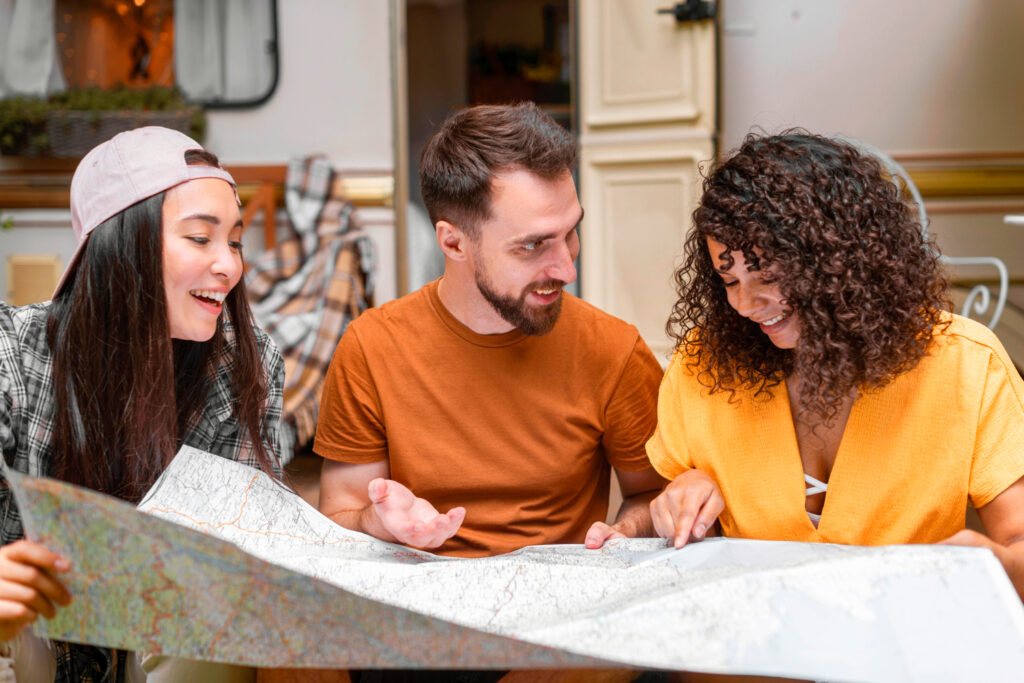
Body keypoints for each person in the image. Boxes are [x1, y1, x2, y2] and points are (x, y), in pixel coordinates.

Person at [646, 131, 1024, 599]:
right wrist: (682, 495)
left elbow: (1017, 542)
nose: (745, 303)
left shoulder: (967, 363)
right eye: (729, 279)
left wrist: (997, 563)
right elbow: (664, 521)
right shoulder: (701, 368)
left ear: (844, 262)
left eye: (768, 274)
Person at [315, 102, 667, 560]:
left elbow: (656, 496)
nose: (567, 268)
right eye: (533, 245)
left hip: (560, 601)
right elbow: (340, 516)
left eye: (570, 233)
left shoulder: (614, 351)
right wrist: (375, 521)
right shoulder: (371, 348)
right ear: (453, 242)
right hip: (420, 599)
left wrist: (628, 529)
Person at [0, 127, 285, 681]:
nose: (229, 266)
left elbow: (243, 552)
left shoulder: (246, 365)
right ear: (119, 242)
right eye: (200, 239)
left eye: (234, 241)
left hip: (167, 628)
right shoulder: (11, 353)